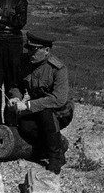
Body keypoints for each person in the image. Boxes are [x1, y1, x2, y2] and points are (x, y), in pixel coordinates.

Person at [7, 32, 74, 174]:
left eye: (34, 50)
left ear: (47, 51)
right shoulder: (25, 62)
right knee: (25, 127)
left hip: (59, 112)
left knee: (46, 114)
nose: (30, 53)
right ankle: (57, 143)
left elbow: (58, 99)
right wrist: (16, 98)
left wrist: (28, 105)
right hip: (36, 108)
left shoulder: (58, 69)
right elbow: (16, 85)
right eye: (29, 49)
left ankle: (56, 157)